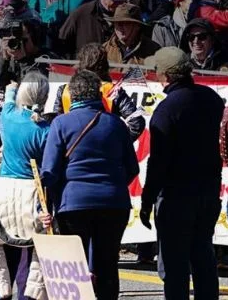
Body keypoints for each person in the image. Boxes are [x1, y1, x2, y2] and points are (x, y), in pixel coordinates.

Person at [40, 70, 139, 300]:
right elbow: (132, 168)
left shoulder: (61, 123)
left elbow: (49, 172)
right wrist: (113, 184)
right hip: (114, 203)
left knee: (74, 267)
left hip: (73, 203)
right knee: (107, 265)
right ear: (98, 94)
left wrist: (47, 204)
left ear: (72, 95)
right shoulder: (116, 124)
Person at [140, 47, 224, 300]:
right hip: (208, 190)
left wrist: (147, 200)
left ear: (165, 75)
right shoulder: (211, 98)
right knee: (203, 257)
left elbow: (158, 163)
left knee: (175, 265)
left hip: (177, 195)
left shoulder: (167, 110)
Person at [0, 73, 51, 300]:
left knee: (4, 252)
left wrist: (13, 86)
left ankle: (0, 295)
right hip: (32, 193)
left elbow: (9, 95)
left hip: (3, 192)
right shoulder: (46, 129)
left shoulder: (9, 116)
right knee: (30, 258)